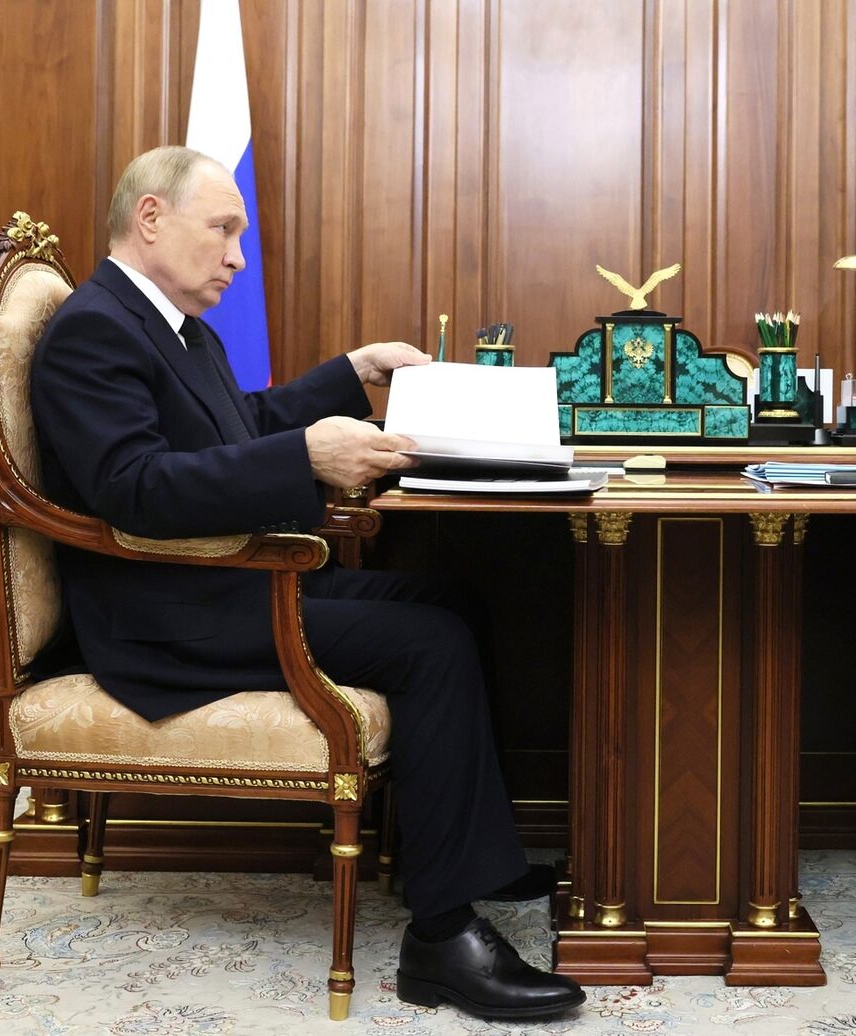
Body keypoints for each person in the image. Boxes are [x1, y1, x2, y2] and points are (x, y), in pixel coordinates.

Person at [28, 145, 583, 1020]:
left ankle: (473, 855)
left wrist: (351, 373)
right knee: (428, 642)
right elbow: (132, 488)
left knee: (449, 598)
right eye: (223, 230)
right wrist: (304, 457)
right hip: (164, 614)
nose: (236, 258)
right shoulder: (94, 329)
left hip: (217, 587)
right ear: (150, 219)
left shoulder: (173, 324)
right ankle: (442, 940)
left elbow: (237, 424)